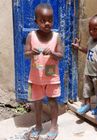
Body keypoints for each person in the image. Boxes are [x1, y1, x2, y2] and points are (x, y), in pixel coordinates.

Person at [24, 3, 63, 140]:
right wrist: (31, 52)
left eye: (50, 20)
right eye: (43, 20)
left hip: (51, 76)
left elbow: (60, 55)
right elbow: (26, 54)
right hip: (35, 77)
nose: (47, 23)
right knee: (37, 102)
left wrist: (53, 53)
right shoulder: (31, 36)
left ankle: (54, 126)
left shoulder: (56, 37)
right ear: (36, 21)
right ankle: (39, 125)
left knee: (52, 101)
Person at [72, 14, 97, 115]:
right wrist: (79, 47)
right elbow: (89, 51)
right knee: (86, 91)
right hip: (88, 71)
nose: (91, 32)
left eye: (95, 29)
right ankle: (87, 105)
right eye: (90, 29)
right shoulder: (91, 40)